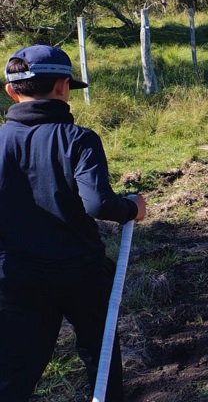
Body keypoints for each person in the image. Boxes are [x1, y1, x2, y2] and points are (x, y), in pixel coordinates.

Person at [0, 45, 147, 402]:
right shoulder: (78, 140)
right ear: (64, 88)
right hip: (80, 272)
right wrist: (132, 207)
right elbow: (98, 203)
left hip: (16, 276)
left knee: (16, 366)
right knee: (100, 353)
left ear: (11, 91)